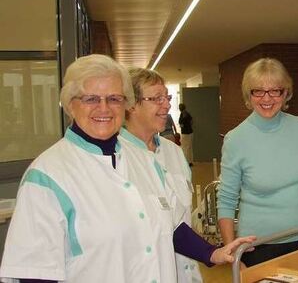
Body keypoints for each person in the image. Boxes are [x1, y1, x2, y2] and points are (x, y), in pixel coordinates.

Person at [0, 54, 254, 283]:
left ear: (126, 104)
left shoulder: (143, 160)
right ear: (70, 104)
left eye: (114, 98)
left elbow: (173, 226)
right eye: (91, 98)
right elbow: (34, 274)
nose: (104, 108)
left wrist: (213, 253)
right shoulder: (47, 176)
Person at [217, 57, 298, 267]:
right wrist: (232, 254)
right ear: (249, 94)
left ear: (285, 93)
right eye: (258, 91)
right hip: (259, 245)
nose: (267, 98)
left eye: (275, 91)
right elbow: (226, 201)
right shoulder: (236, 139)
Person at [121, 68, 202, 282]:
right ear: (131, 104)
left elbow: (179, 221)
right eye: (156, 98)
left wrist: (210, 253)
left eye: (166, 97)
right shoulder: (115, 157)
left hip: (185, 272)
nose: (166, 104)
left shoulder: (173, 152)